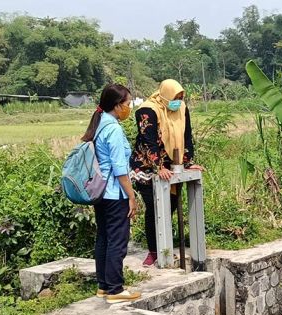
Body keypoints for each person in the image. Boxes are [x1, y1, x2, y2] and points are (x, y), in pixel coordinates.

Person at [130, 79, 203, 267]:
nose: (178, 101)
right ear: (165, 94)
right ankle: (154, 251)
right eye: (175, 97)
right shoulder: (148, 110)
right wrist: (158, 167)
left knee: (168, 208)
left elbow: (187, 136)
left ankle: (166, 248)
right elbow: (148, 140)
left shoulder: (181, 108)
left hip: (172, 165)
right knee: (153, 209)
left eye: (181, 97)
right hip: (147, 167)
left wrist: (188, 162)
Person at [82, 83, 141, 303]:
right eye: (127, 103)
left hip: (100, 193)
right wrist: (132, 196)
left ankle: (104, 285)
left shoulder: (99, 125)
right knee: (117, 240)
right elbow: (120, 169)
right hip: (115, 194)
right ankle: (115, 289)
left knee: (104, 238)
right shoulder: (114, 129)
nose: (128, 108)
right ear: (117, 106)